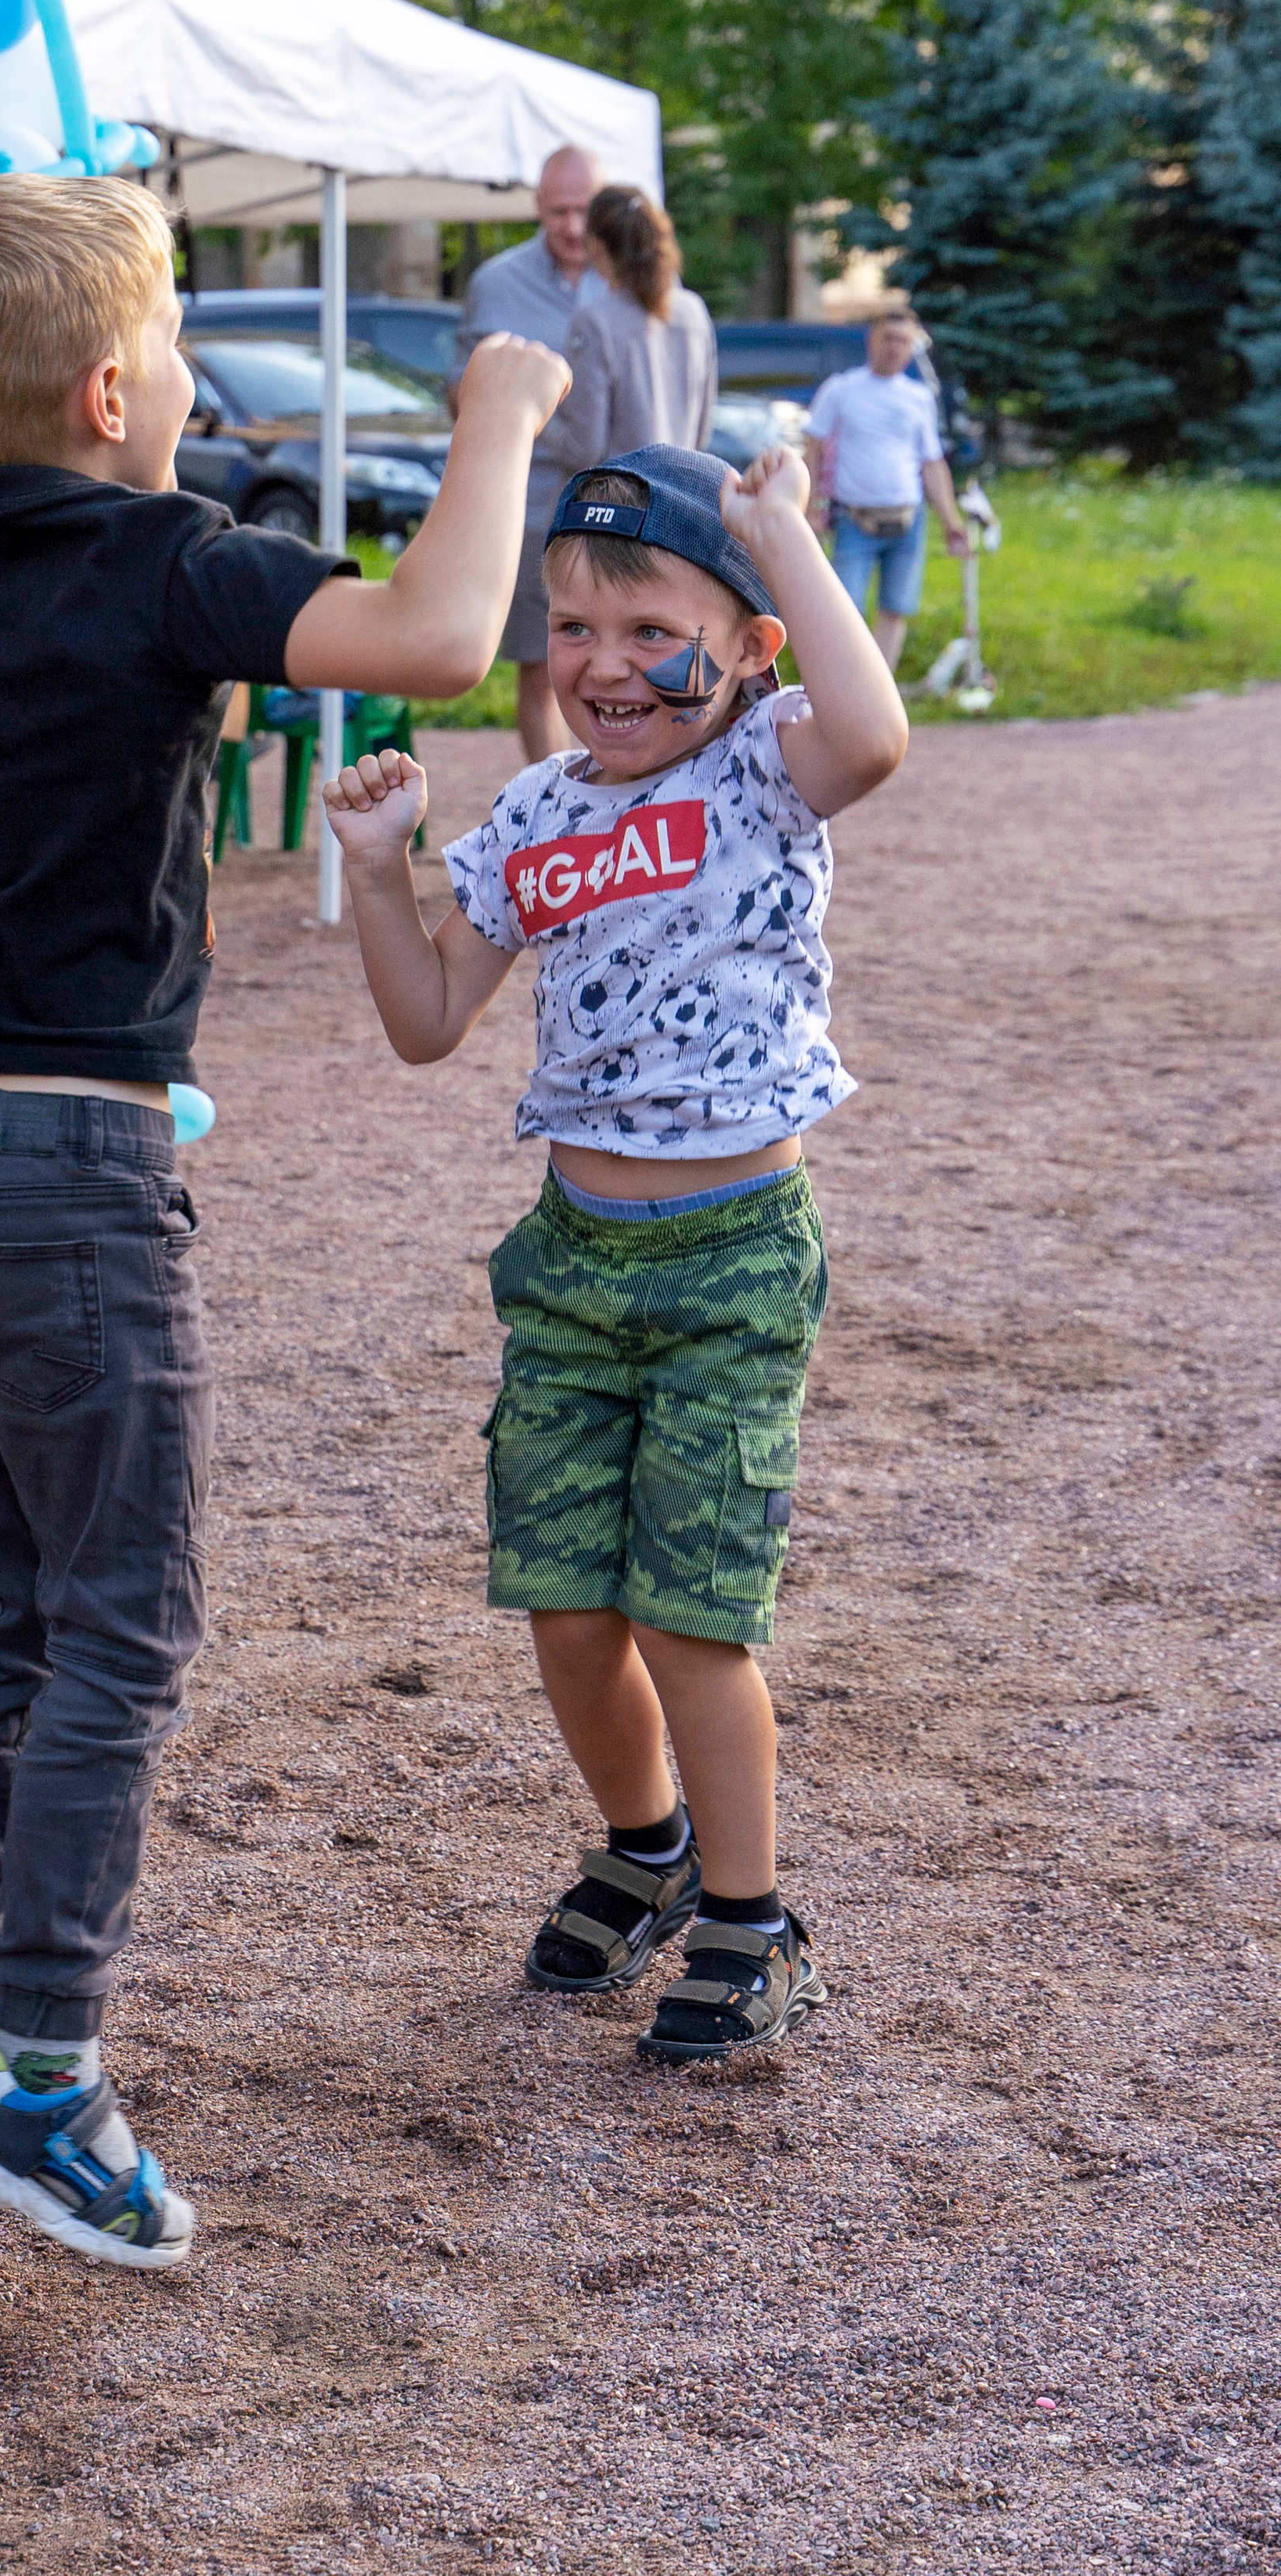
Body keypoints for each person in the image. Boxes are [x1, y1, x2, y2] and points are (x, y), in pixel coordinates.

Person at [0, 171, 570, 2271]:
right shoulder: (161, 562)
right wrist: (497, 418)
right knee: (116, 1622)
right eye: (178, 347)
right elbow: (447, 642)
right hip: (69, 1182)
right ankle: (39, 2083)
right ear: (116, 390)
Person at [319, 441, 907, 2066]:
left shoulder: (767, 767)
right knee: (566, 1608)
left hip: (732, 1255)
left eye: (646, 626)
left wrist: (781, 533)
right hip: (570, 1260)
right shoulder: (527, 816)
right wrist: (377, 876)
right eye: (569, 627)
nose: (601, 666)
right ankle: (642, 1847)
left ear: (745, 645)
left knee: (689, 1614)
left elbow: (876, 732)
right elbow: (429, 1022)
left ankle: (746, 1914)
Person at [446, 143, 608, 766]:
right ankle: (557, 812)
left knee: (628, 668)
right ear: (538, 207)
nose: (572, 227)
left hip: (625, 508)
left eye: (585, 210)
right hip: (534, 506)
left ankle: (624, 814)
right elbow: (461, 395)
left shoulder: (634, 278)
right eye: (559, 211)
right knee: (544, 670)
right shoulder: (497, 284)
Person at [803, 311, 969, 670]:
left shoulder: (918, 398)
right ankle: (848, 689)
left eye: (903, 341)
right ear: (872, 342)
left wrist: (951, 520)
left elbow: (932, 464)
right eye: (888, 339)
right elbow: (813, 447)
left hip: (908, 520)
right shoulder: (842, 389)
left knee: (896, 608)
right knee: (846, 610)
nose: (895, 348)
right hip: (854, 519)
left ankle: (882, 689)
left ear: (911, 349)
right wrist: (811, 505)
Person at [541, 186, 717, 489]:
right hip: (677, 502)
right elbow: (702, 432)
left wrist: (534, 413)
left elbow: (584, 450)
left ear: (596, 245)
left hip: (617, 514)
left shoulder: (595, 321)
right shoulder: (693, 312)